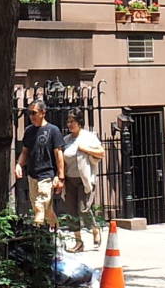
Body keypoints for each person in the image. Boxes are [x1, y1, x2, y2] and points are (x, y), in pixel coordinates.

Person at [15, 100, 66, 229]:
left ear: (43, 113)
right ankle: (55, 232)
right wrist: (19, 165)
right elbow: (25, 151)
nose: (31, 116)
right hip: (32, 175)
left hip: (47, 175)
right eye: (29, 113)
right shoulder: (29, 131)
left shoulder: (53, 130)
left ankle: (37, 234)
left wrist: (60, 177)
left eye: (34, 113)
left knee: (40, 205)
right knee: (46, 209)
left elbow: (58, 154)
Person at [60, 109, 105, 252]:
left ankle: (94, 229)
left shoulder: (88, 137)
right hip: (69, 180)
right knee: (71, 212)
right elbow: (62, 160)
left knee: (83, 209)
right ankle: (78, 242)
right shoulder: (66, 140)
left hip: (85, 179)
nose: (69, 124)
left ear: (79, 122)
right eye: (68, 121)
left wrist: (85, 149)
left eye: (72, 121)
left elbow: (101, 153)